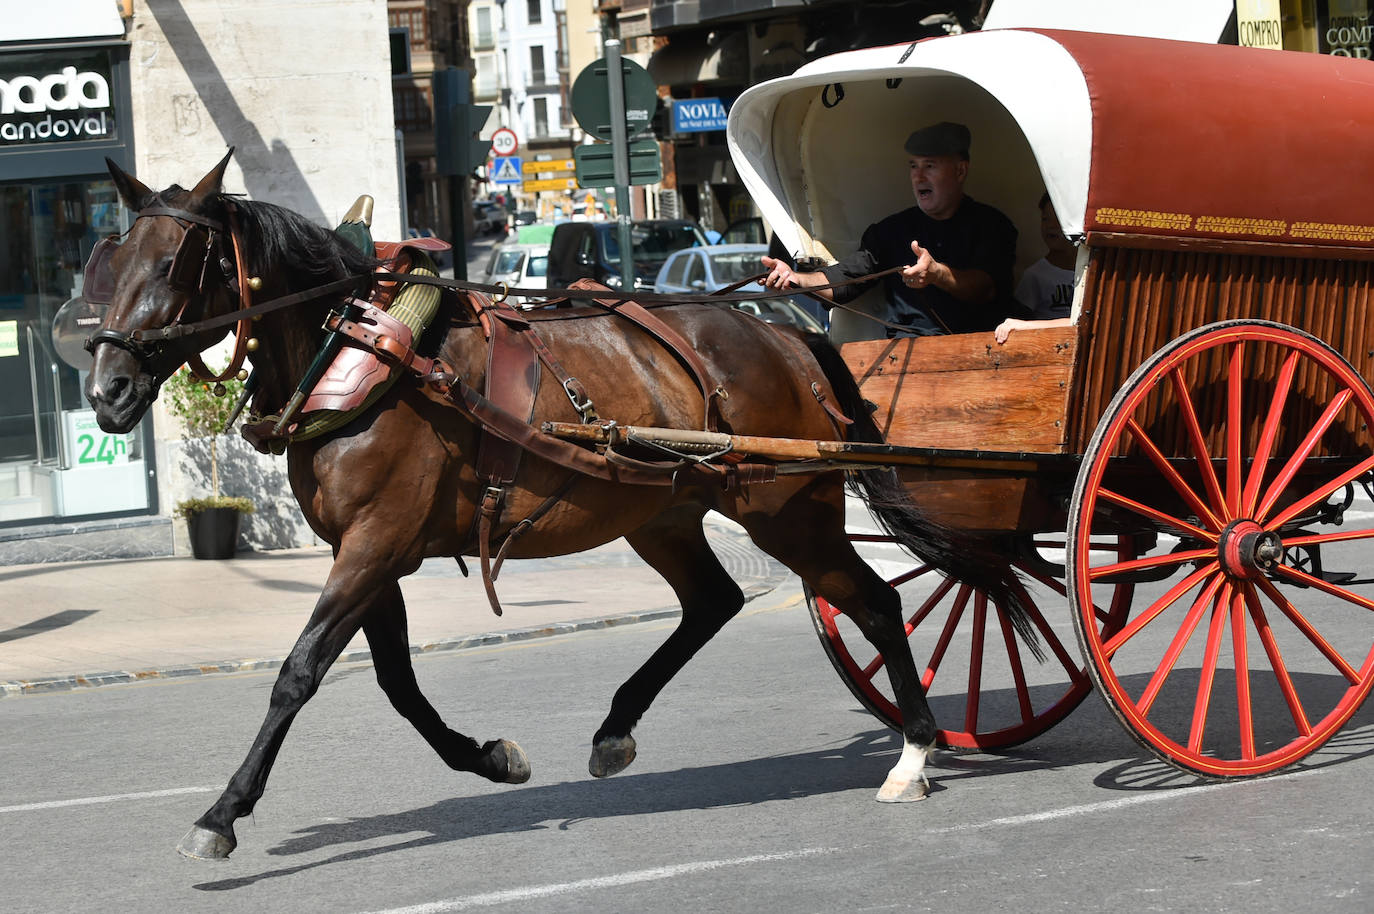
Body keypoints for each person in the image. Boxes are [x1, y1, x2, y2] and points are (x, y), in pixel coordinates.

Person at [760, 121, 1018, 336]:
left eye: (930, 166)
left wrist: (937, 273)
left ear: (960, 171)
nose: (918, 177)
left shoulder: (992, 225)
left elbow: (985, 289)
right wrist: (795, 280)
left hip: (977, 356)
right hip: (905, 358)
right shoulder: (892, 230)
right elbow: (846, 280)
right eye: (913, 166)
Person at [994, 193, 1076, 344]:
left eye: (1058, 218)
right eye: (1045, 219)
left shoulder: (1090, 271)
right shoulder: (1035, 275)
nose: (1050, 226)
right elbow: (1019, 319)